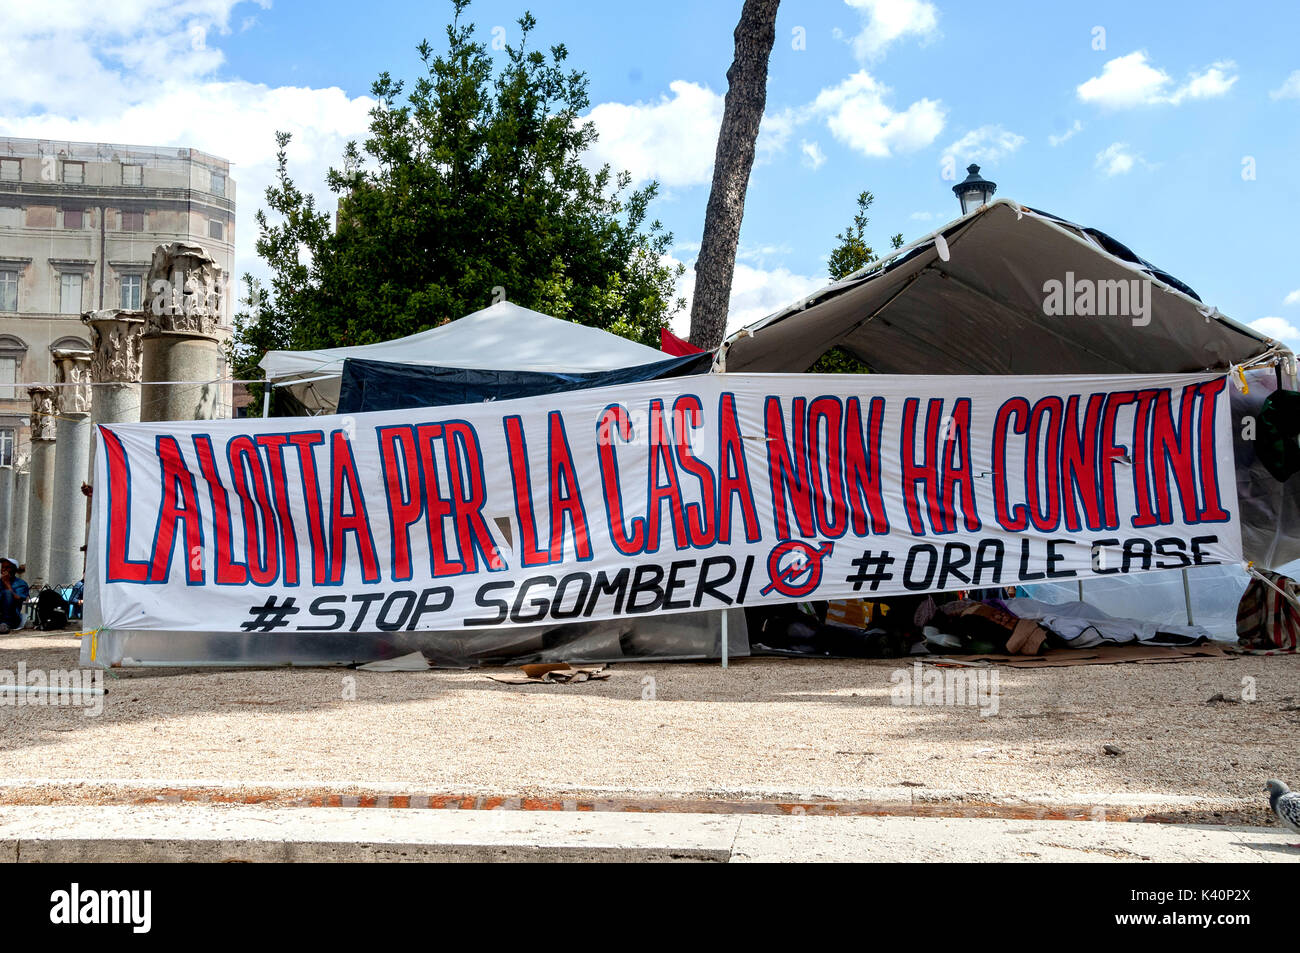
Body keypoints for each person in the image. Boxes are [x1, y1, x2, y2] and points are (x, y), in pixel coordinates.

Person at [0, 557, 29, 633]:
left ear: (14, 570)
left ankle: (5, 624)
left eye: (7, 567)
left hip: (13, 618)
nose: (3, 569)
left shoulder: (21, 584)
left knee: (7, 593)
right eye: (2, 567)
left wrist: (7, 583)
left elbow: (19, 599)